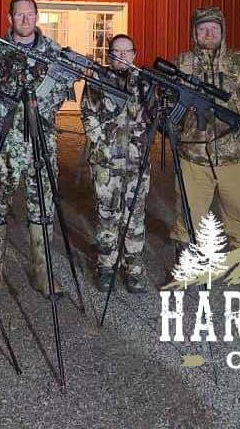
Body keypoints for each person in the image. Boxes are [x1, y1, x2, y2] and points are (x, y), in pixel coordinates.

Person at [0, 0, 72, 297]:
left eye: (30, 14)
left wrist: (37, 101)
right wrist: (6, 105)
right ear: (10, 18)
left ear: (37, 16)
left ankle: (43, 274)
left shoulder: (54, 52)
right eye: (19, 14)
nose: (25, 19)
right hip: (4, 142)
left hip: (41, 142)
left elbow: (63, 92)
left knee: (42, 207)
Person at [169, 7, 240, 253]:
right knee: (188, 219)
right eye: (202, 28)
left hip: (234, 159)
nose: (208, 33)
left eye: (214, 28)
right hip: (193, 159)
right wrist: (180, 136)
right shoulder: (181, 64)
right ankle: (186, 265)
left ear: (222, 31)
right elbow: (166, 106)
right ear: (194, 32)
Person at [81, 34, 155, 293]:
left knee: (135, 216)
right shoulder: (97, 80)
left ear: (134, 54)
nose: (122, 55)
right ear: (109, 55)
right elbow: (87, 114)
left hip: (137, 163)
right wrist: (102, 145)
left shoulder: (145, 83)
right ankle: (106, 267)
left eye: (127, 51)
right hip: (107, 163)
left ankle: (133, 270)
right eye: (116, 51)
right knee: (107, 215)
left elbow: (155, 117)